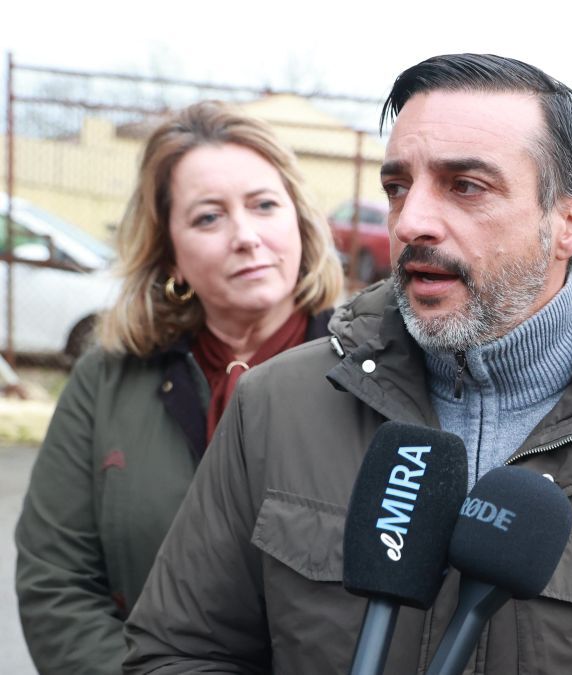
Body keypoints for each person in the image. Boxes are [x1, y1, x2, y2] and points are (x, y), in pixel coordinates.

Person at [123, 54, 572, 674]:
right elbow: (177, 651)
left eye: (465, 186)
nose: (410, 222)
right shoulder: (276, 404)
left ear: (571, 221)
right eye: (398, 186)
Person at [14, 101, 344, 674]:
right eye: (208, 218)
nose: (246, 236)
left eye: (264, 205)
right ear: (171, 255)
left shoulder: (370, 372)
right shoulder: (107, 378)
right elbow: (55, 582)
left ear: (299, 220)